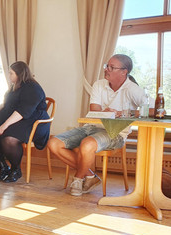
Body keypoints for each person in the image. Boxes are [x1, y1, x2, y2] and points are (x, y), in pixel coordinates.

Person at [48, 54, 152, 196]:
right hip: (91, 127)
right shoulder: (99, 84)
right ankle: (90, 177)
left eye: (111, 67)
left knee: (87, 144)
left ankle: (78, 179)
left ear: (124, 71)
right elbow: (94, 109)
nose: (106, 69)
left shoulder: (132, 89)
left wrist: (123, 113)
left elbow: (153, 109)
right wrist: (105, 112)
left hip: (115, 133)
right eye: (106, 65)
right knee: (53, 143)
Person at [0, 61, 50, 183]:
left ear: (20, 74)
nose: (9, 75)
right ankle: (3, 166)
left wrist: (5, 125)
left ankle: (15, 170)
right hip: (16, 118)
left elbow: (23, 111)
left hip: (32, 121)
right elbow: (9, 103)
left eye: (11, 73)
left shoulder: (32, 87)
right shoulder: (15, 86)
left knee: (9, 138)